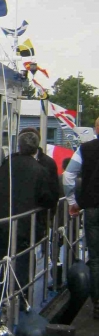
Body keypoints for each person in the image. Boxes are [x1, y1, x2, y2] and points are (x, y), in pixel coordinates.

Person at [0, 129, 52, 297]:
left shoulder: (6, 165)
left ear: (19, 146)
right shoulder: (39, 170)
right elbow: (48, 199)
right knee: (22, 261)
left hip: (2, 221)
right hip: (25, 225)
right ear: (36, 148)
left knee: (4, 256)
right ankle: (19, 298)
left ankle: (4, 294)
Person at [63, 117, 99, 318]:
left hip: (93, 207)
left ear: (96, 129)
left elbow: (68, 176)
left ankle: (97, 303)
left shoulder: (85, 149)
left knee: (95, 258)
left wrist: (71, 202)